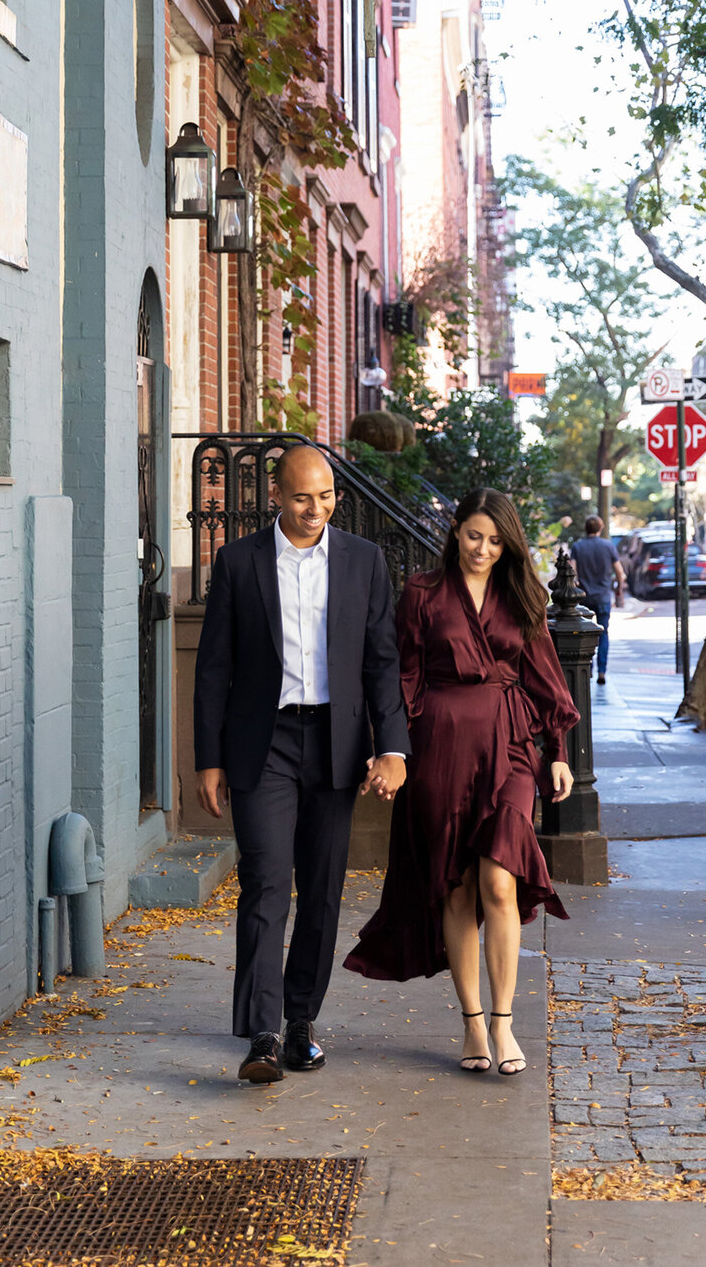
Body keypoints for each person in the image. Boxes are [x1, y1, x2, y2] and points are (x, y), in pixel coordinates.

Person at [194, 443, 410, 1085]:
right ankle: (260, 1034)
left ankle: (299, 1024)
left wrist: (392, 746)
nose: (315, 508)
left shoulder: (363, 561)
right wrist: (209, 759)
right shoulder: (238, 562)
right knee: (264, 881)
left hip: (337, 744)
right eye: (301, 497)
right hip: (265, 743)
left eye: (326, 496)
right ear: (275, 498)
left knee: (322, 888)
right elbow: (214, 667)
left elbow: (382, 659)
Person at [343, 488, 577, 1077]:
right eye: (475, 535)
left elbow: (545, 676)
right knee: (455, 886)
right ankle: (472, 1022)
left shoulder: (523, 594)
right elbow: (403, 678)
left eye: (496, 540)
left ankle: (504, 1019)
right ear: (455, 531)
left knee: (499, 880)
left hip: (510, 748)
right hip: (441, 749)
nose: (483, 548)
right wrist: (392, 752)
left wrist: (558, 751)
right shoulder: (423, 593)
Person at [569, 515, 625, 684]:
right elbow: (620, 573)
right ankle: (602, 671)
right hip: (602, 597)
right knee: (604, 634)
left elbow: (572, 573)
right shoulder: (608, 546)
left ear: (586, 528)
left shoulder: (578, 547)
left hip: (584, 598)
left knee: (584, 635)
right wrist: (618, 590)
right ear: (600, 529)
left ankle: (588, 670)